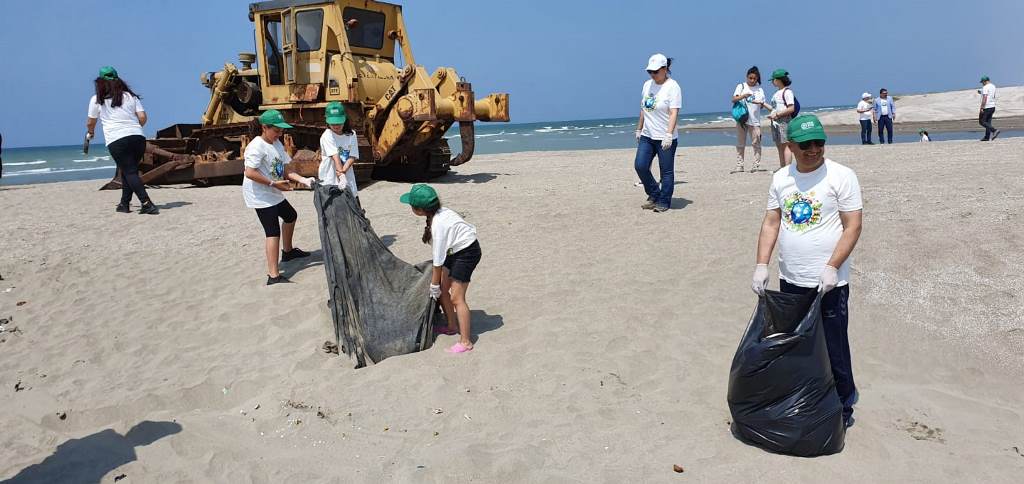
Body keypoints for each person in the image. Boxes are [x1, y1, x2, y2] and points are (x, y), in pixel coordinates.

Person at [751, 114, 863, 428]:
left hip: (829, 284)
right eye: (806, 145)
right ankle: (806, 398)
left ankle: (843, 405)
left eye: (819, 143)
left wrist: (832, 267)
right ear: (791, 146)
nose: (813, 150)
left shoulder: (842, 176)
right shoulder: (781, 179)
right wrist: (762, 264)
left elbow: (853, 226)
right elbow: (772, 222)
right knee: (798, 346)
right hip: (791, 280)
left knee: (833, 345)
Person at [400, 184, 482, 353]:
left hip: (467, 252)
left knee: (457, 298)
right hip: (454, 250)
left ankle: (466, 341)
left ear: (420, 210)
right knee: (444, 290)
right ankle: (452, 326)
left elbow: (437, 261)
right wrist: (438, 286)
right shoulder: (437, 213)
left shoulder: (438, 225)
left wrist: (433, 285)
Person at [242, 109, 315, 285]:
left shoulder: (277, 144)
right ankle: (273, 276)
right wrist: (274, 184)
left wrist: (304, 180)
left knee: (291, 216)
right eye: (276, 130)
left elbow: (286, 169)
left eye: (281, 130)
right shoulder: (256, 146)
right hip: (260, 195)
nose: (280, 134)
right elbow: (250, 172)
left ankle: (288, 252)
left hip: (273, 191)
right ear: (264, 127)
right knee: (272, 231)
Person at [86, 66, 159, 214]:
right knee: (127, 170)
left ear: (100, 82)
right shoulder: (130, 96)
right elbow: (143, 117)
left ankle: (147, 203)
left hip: (117, 140)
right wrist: (134, 128)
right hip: (138, 138)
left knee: (130, 171)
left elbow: (90, 122)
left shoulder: (97, 100)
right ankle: (124, 204)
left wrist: (90, 132)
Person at [634, 53, 682, 213]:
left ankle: (664, 201)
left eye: (656, 71)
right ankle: (654, 194)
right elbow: (643, 109)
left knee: (666, 171)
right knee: (640, 165)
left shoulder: (673, 86)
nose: (653, 75)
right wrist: (639, 129)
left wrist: (669, 135)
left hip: (665, 137)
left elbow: (674, 112)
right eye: (650, 72)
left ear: (665, 69)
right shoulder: (647, 85)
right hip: (648, 135)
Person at [319, 101, 360, 199]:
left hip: (347, 176)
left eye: (339, 122)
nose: (336, 126)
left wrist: (343, 172)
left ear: (345, 119)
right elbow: (335, 156)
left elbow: (352, 156)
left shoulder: (352, 134)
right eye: (333, 123)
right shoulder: (327, 135)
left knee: (354, 207)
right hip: (330, 178)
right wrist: (341, 176)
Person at [731, 66, 769, 173]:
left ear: (757, 79)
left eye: (754, 78)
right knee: (740, 143)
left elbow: (762, 105)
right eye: (750, 78)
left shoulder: (759, 89)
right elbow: (733, 99)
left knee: (756, 143)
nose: (752, 80)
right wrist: (743, 96)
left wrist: (759, 103)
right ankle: (740, 165)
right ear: (747, 77)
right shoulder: (741, 86)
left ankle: (756, 165)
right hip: (742, 119)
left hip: (755, 120)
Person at [766, 69, 797, 167]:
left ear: (778, 80)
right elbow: (774, 108)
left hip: (784, 121)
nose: (772, 82)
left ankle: (787, 168)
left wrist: (778, 115)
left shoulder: (787, 92)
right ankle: (782, 167)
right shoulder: (777, 93)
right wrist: (762, 104)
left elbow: (791, 108)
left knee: (786, 145)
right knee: (779, 146)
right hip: (775, 122)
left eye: (773, 80)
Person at [979, 76, 1000, 141]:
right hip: (992, 107)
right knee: (988, 122)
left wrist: (982, 107)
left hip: (987, 107)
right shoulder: (993, 86)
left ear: (985, 81)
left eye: (982, 82)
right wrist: (981, 92)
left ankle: (994, 130)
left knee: (982, 121)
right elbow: (989, 94)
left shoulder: (985, 87)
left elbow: (985, 97)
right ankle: (987, 137)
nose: (982, 83)